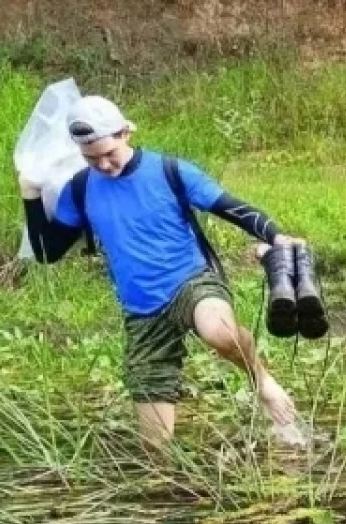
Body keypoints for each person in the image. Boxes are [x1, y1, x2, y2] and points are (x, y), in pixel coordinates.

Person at [20, 96, 305, 448]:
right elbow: (48, 252)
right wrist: (30, 195)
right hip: (142, 311)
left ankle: (263, 383)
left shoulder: (170, 171)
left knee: (219, 333)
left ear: (126, 132)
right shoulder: (79, 189)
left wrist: (275, 235)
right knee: (155, 449)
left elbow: (231, 208)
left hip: (191, 282)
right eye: (91, 158)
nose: (104, 165)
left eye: (109, 153)